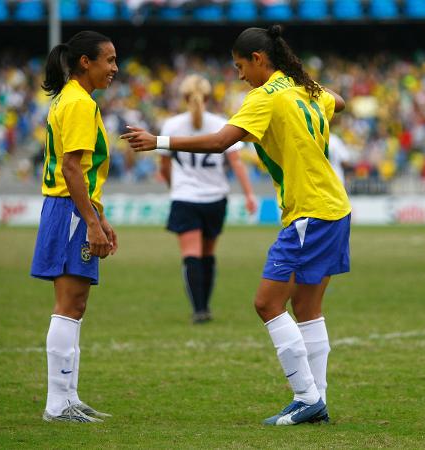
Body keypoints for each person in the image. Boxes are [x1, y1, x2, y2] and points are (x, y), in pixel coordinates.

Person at [122, 24, 351, 426]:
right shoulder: (303, 88)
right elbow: (342, 102)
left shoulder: (263, 97)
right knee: (308, 307)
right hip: (335, 207)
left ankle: (306, 398)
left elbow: (219, 141)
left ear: (259, 60)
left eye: (240, 66)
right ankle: (318, 400)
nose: (239, 75)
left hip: (310, 211)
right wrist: (307, 85)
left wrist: (159, 141)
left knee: (266, 303)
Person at [31, 31, 118, 423]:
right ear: (86, 62)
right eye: (109, 60)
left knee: (75, 304)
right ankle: (56, 404)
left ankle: (68, 397)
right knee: (70, 304)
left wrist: (98, 216)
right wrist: (90, 222)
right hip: (69, 210)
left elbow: (77, 169)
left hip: (71, 208)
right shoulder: (80, 103)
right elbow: (71, 168)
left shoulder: (71, 98)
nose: (115, 68)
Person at [157, 74, 257, 324]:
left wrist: (174, 187)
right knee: (208, 255)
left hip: (185, 197)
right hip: (215, 198)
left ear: (183, 97)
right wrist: (249, 194)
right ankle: (206, 307)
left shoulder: (172, 125)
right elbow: (236, 164)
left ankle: (199, 309)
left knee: (191, 255)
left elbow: (164, 167)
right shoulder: (222, 123)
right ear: (210, 97)